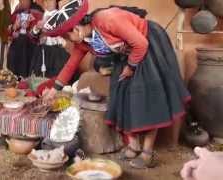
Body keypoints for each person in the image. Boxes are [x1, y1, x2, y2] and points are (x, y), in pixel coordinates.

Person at [42, 0, 191, 169]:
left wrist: (130, 67)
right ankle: (134, 145)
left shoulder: (108, 19)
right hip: (126, 52)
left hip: (146, 45)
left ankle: (147, 153)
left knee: (147, 98)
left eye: (66, 37)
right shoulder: (83, 40)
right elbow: (71, 64)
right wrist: (54, 90)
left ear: (76, 29)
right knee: (120, 94)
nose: (67, 42)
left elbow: (141, 44)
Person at [29, 0, 70, 78]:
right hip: (42, 52)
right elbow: (32, 36)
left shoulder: (61, 15)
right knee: (39, 77)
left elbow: (66, 37)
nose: (48, 3)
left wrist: (51, 33)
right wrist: (37, 28)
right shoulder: (40, 14)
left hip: (57, 53)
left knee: (55, 77)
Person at [7, 0, 43, 77]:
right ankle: (13, 77)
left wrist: (29, 28)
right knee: (17, 44)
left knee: (23, 41)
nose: (22, 2)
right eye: (20, 0)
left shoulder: (38, 12)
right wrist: (15, 27)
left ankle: (22, 78)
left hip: (31, 47)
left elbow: (39, 34)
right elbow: (9, 33)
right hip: (16, 46)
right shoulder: (16, 12)